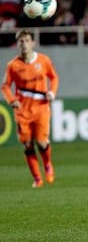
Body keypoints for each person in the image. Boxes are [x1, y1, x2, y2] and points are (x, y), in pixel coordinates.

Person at [1, 29, 59, 188]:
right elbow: (5, 86)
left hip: (41, 108)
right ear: (17, 44)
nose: (24, 44)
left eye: (27, 41)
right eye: (21, 41)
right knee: (27, 144)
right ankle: (37, 178)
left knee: (42, 142)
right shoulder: (13, 65)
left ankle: (47, 164)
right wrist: (12, 100)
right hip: (22, 111)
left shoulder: (44, 61)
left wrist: (52, 93)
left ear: (33, 43)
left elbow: (54, 77)